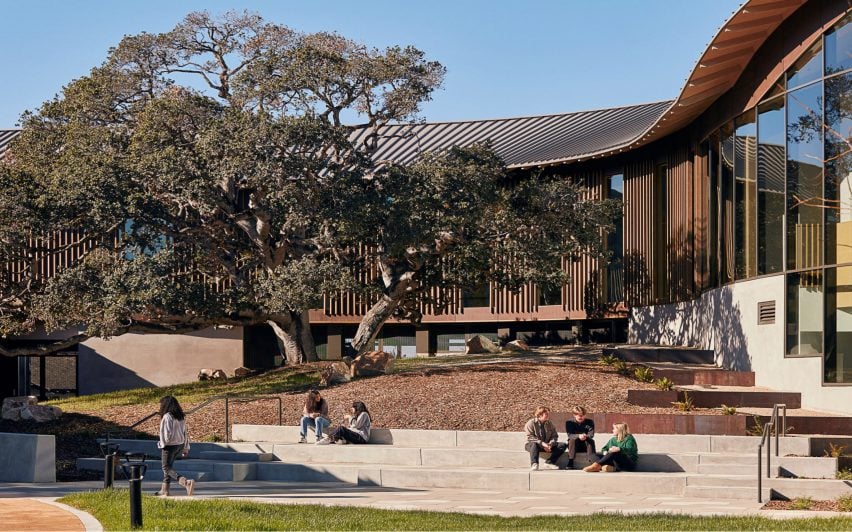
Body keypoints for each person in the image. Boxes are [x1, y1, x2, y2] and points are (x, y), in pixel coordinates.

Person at [155, 395, 195, 496]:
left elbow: (166, 434)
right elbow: (185, 433)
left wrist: (162, 444)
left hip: (169, 446)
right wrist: (186, 448)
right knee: (169, 467)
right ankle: (165, 490)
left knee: (165, 468)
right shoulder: (180, 416)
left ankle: (185, 482)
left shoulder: (167, 416)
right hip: (179, 445)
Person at [523, 406, 567, 470]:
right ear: (540, 414)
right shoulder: (531, 423)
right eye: (546, 414)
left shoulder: (549, 423)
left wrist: (550, 444)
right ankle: (534, 464)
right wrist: (542, 443)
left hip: (547, 445)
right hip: (534, 445)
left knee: (563, 445)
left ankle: (549, 463)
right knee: (534, 444)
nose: (548, 415)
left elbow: (554, 436)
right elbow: (530, 437)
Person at [564, 405, 596, 469]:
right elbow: (570, 435)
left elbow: (591, 435)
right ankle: (570, 461)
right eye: (579, 415)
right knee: (572, 440)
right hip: (574, 446)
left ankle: (592, 461)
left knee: (590, 440)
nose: (581, 417)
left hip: (585, 445)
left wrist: (585, 436)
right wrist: (579, 436)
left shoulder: (589, 422)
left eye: (583, 415)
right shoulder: (569, 422)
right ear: (574, 415)